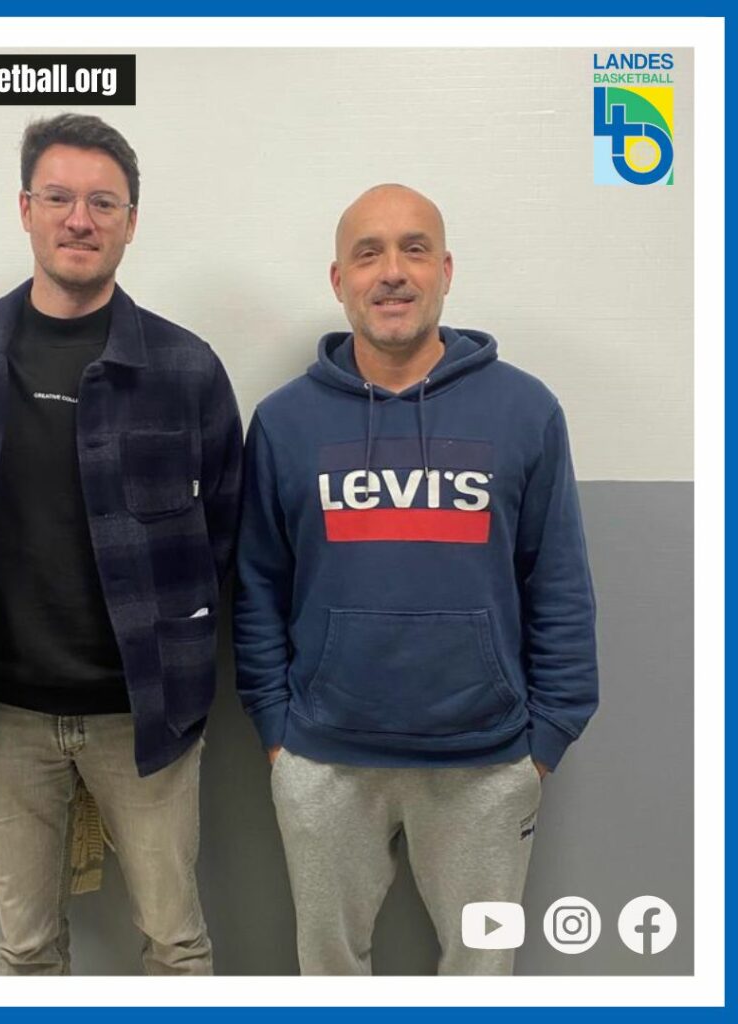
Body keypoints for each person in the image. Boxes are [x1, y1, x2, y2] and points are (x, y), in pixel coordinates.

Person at [233, 183, 598, 976]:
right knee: (330, 977)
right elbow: (257, 584)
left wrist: (546, 738)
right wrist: (277, 733)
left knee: (480, 980)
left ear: (446, 271)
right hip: (323, 759)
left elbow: (559, 583)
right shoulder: (285, 422)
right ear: (340, 280)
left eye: (414, 249)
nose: (392, 271)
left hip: (487, 763)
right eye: (368, 253)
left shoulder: (525, 410)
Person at [0, 114, 242, 975]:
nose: (80, 220)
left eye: (104, 203)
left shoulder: (186, 369)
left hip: (146, 713)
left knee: (176, 942)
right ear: (26, 209)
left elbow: (222, 532)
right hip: (1, 714)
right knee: (26, 951)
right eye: (59, 198)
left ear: (131, 222)